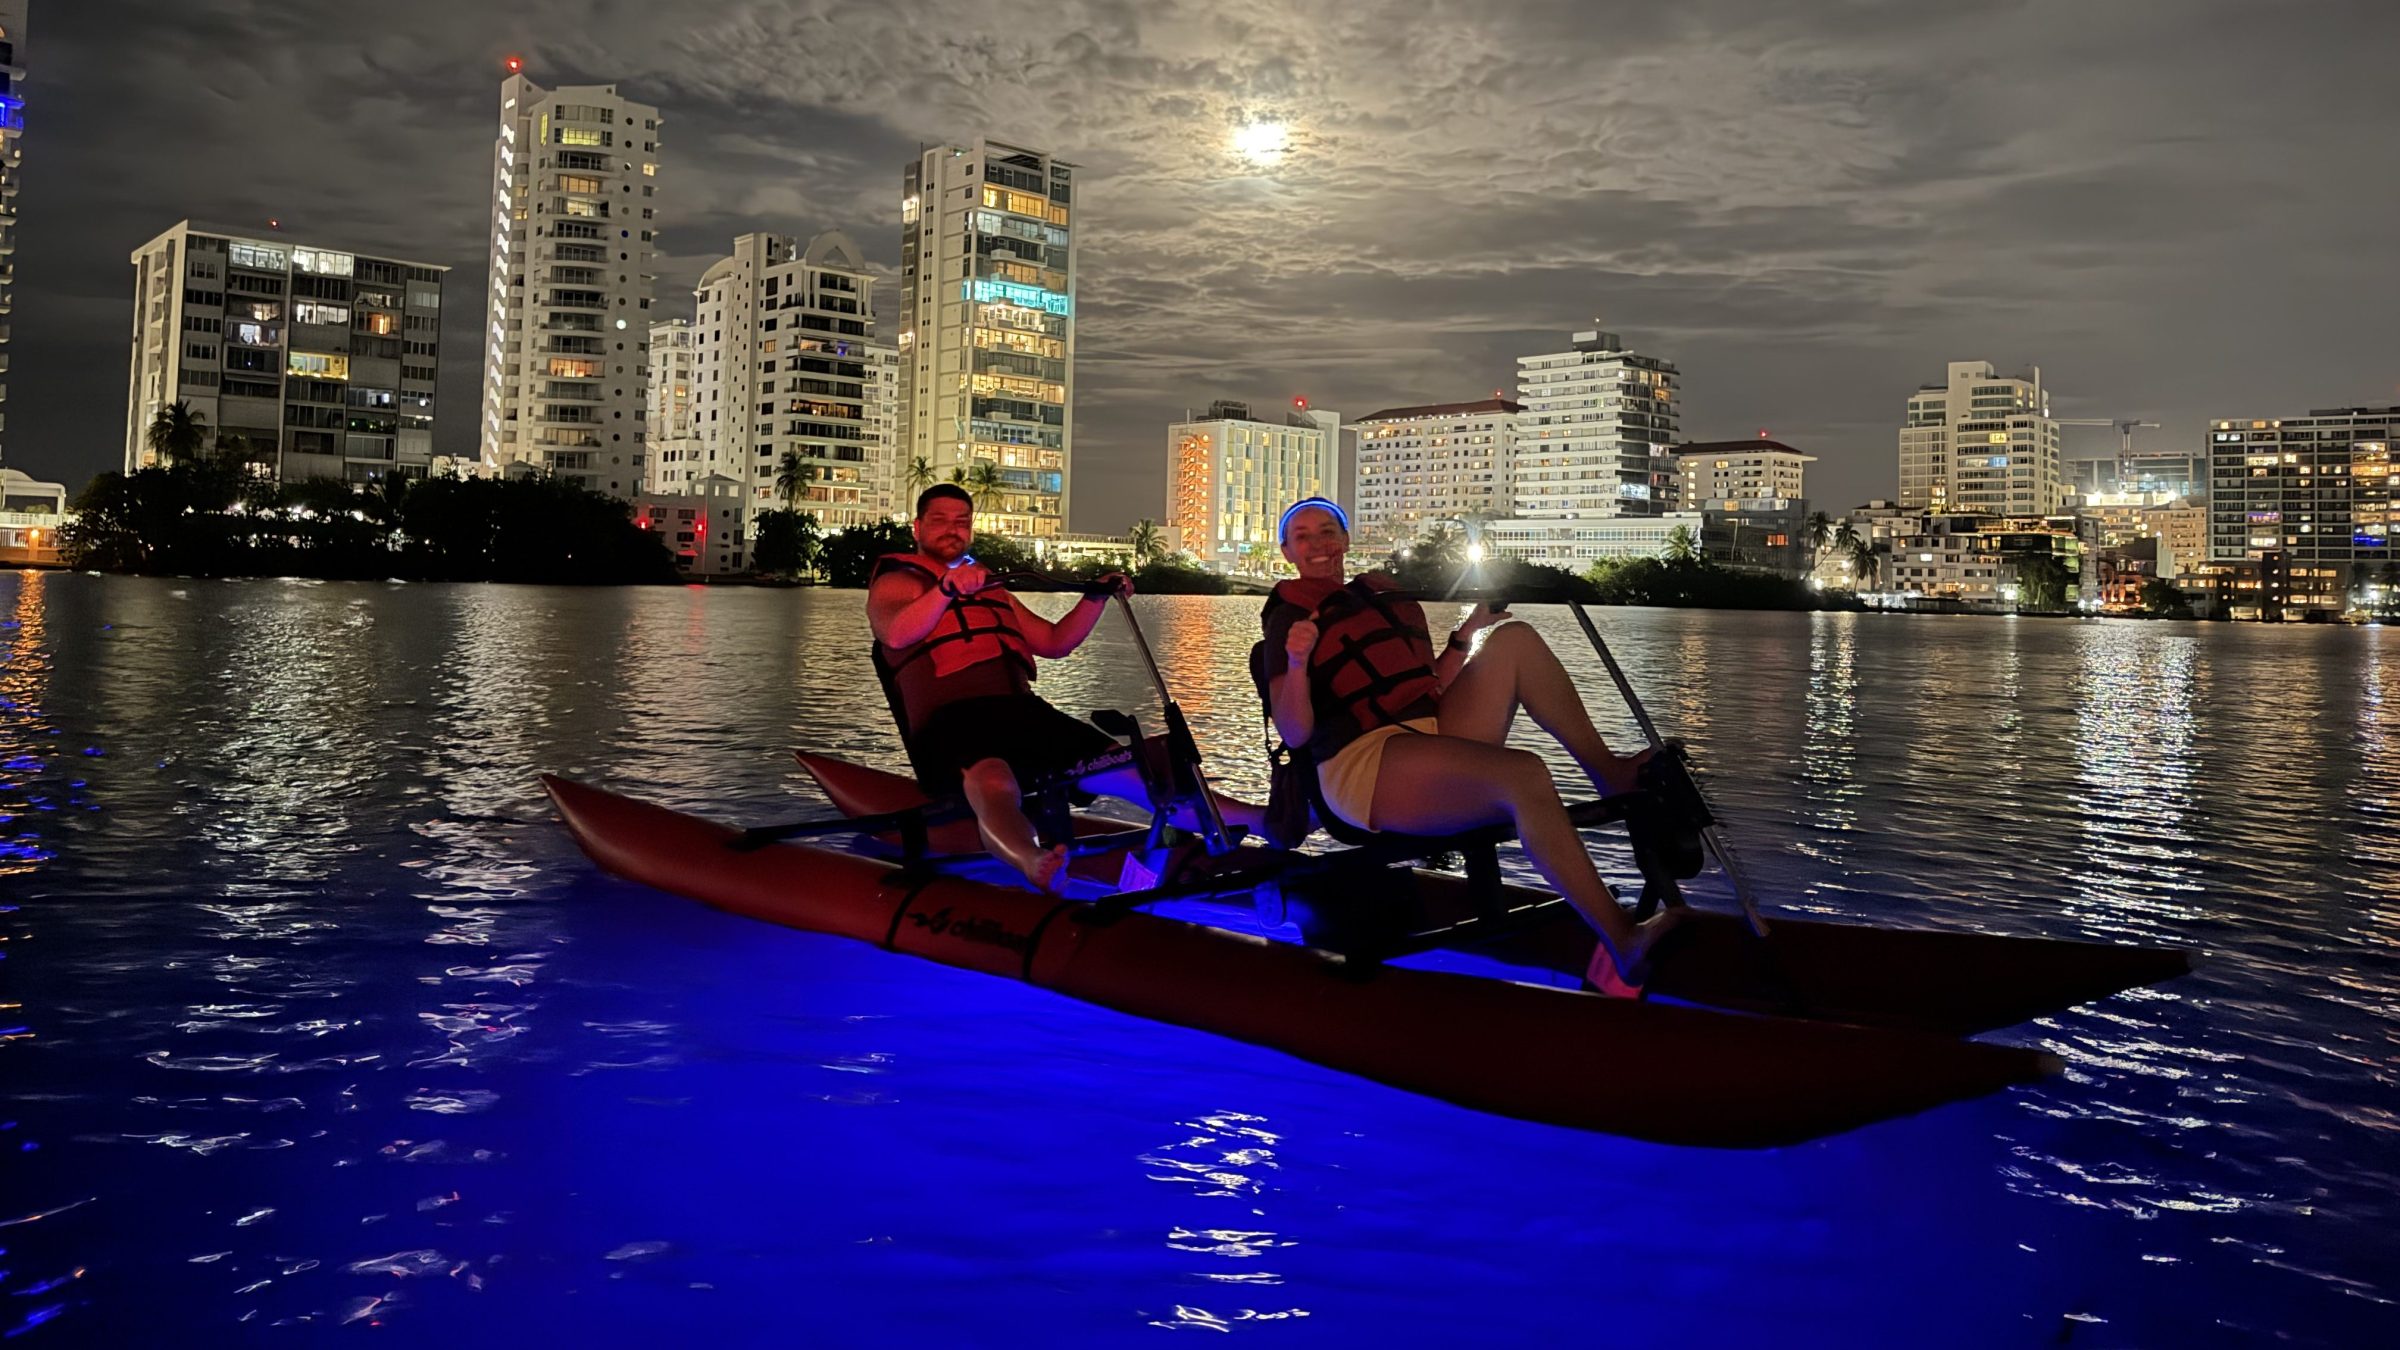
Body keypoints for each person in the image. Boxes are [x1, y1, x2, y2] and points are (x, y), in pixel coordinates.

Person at [1259, 498, 1683, 986]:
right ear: (1288, 551)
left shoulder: (1372, 596)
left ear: (1345, 541)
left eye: (1328, 530)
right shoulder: (1287, 616)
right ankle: (1623, 940)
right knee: (1523, 773)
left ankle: (1606, 772)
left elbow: (1424, 688)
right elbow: (1294, 733)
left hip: (1428, 737)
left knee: (1516, 639)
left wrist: (1468, 633)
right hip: (1364, 766)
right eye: (1304, 536)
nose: (1319, 543)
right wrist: (1296, 663)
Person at [869, 484, 1256, 892]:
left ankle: (1264, 821)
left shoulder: (986, 587)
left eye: (962, 522)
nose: (953, 530)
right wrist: (947, 588)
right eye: (940, 521)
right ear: (917, 528)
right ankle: (1032, 859)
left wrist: (1095, 597)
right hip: (952, 725)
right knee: (994, 781)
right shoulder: (897, 582)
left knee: (1137, 767)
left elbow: (1054, 642)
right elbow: (894, 634)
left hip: (1023, 714)